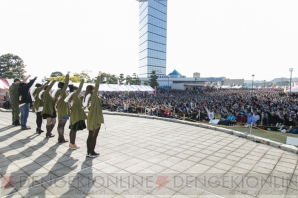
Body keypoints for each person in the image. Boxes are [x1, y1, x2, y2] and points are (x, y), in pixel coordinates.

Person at [83, 71, 104, 157]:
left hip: (90, 117)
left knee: (90, 135)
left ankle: (89, 152)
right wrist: (98, 76)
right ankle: (92, 152)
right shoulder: (93, 96)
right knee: (94, 136)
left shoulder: (88, 96)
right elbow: (97, 86)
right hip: (95, 117)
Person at [65, 79, 86, 149]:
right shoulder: (74, 95)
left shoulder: (72, 96)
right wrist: (82, 80)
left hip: (74, 113)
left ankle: (71, 143)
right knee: (74, 130)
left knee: (72, 129)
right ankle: (73, 144)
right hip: (77, 114)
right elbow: (80, 87)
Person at [52, 72, 70, 143]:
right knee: (62, 125)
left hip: (60, 109)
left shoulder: (57, 92)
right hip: (64, 110)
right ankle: (61, 138)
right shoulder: (62, 91)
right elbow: (67, 83)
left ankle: (60, 137)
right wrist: (67, 75)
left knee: (60, 125)